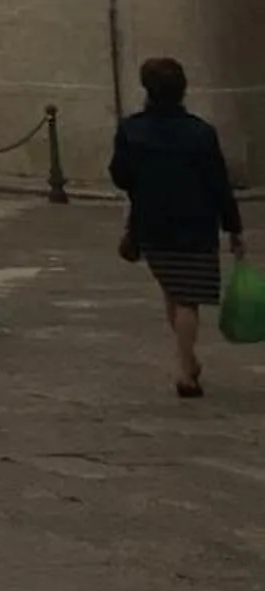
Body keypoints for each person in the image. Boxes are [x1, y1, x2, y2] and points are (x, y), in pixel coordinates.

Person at [109, 55, 245, 399]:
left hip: (151, 224)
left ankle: (188, 359)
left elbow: (120, 175)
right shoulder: (200, 133)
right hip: (196, 224)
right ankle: (186, 367)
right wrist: (234, 227)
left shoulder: (131, 129)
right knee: (188, 298)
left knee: (174, 290)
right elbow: (218, 183)